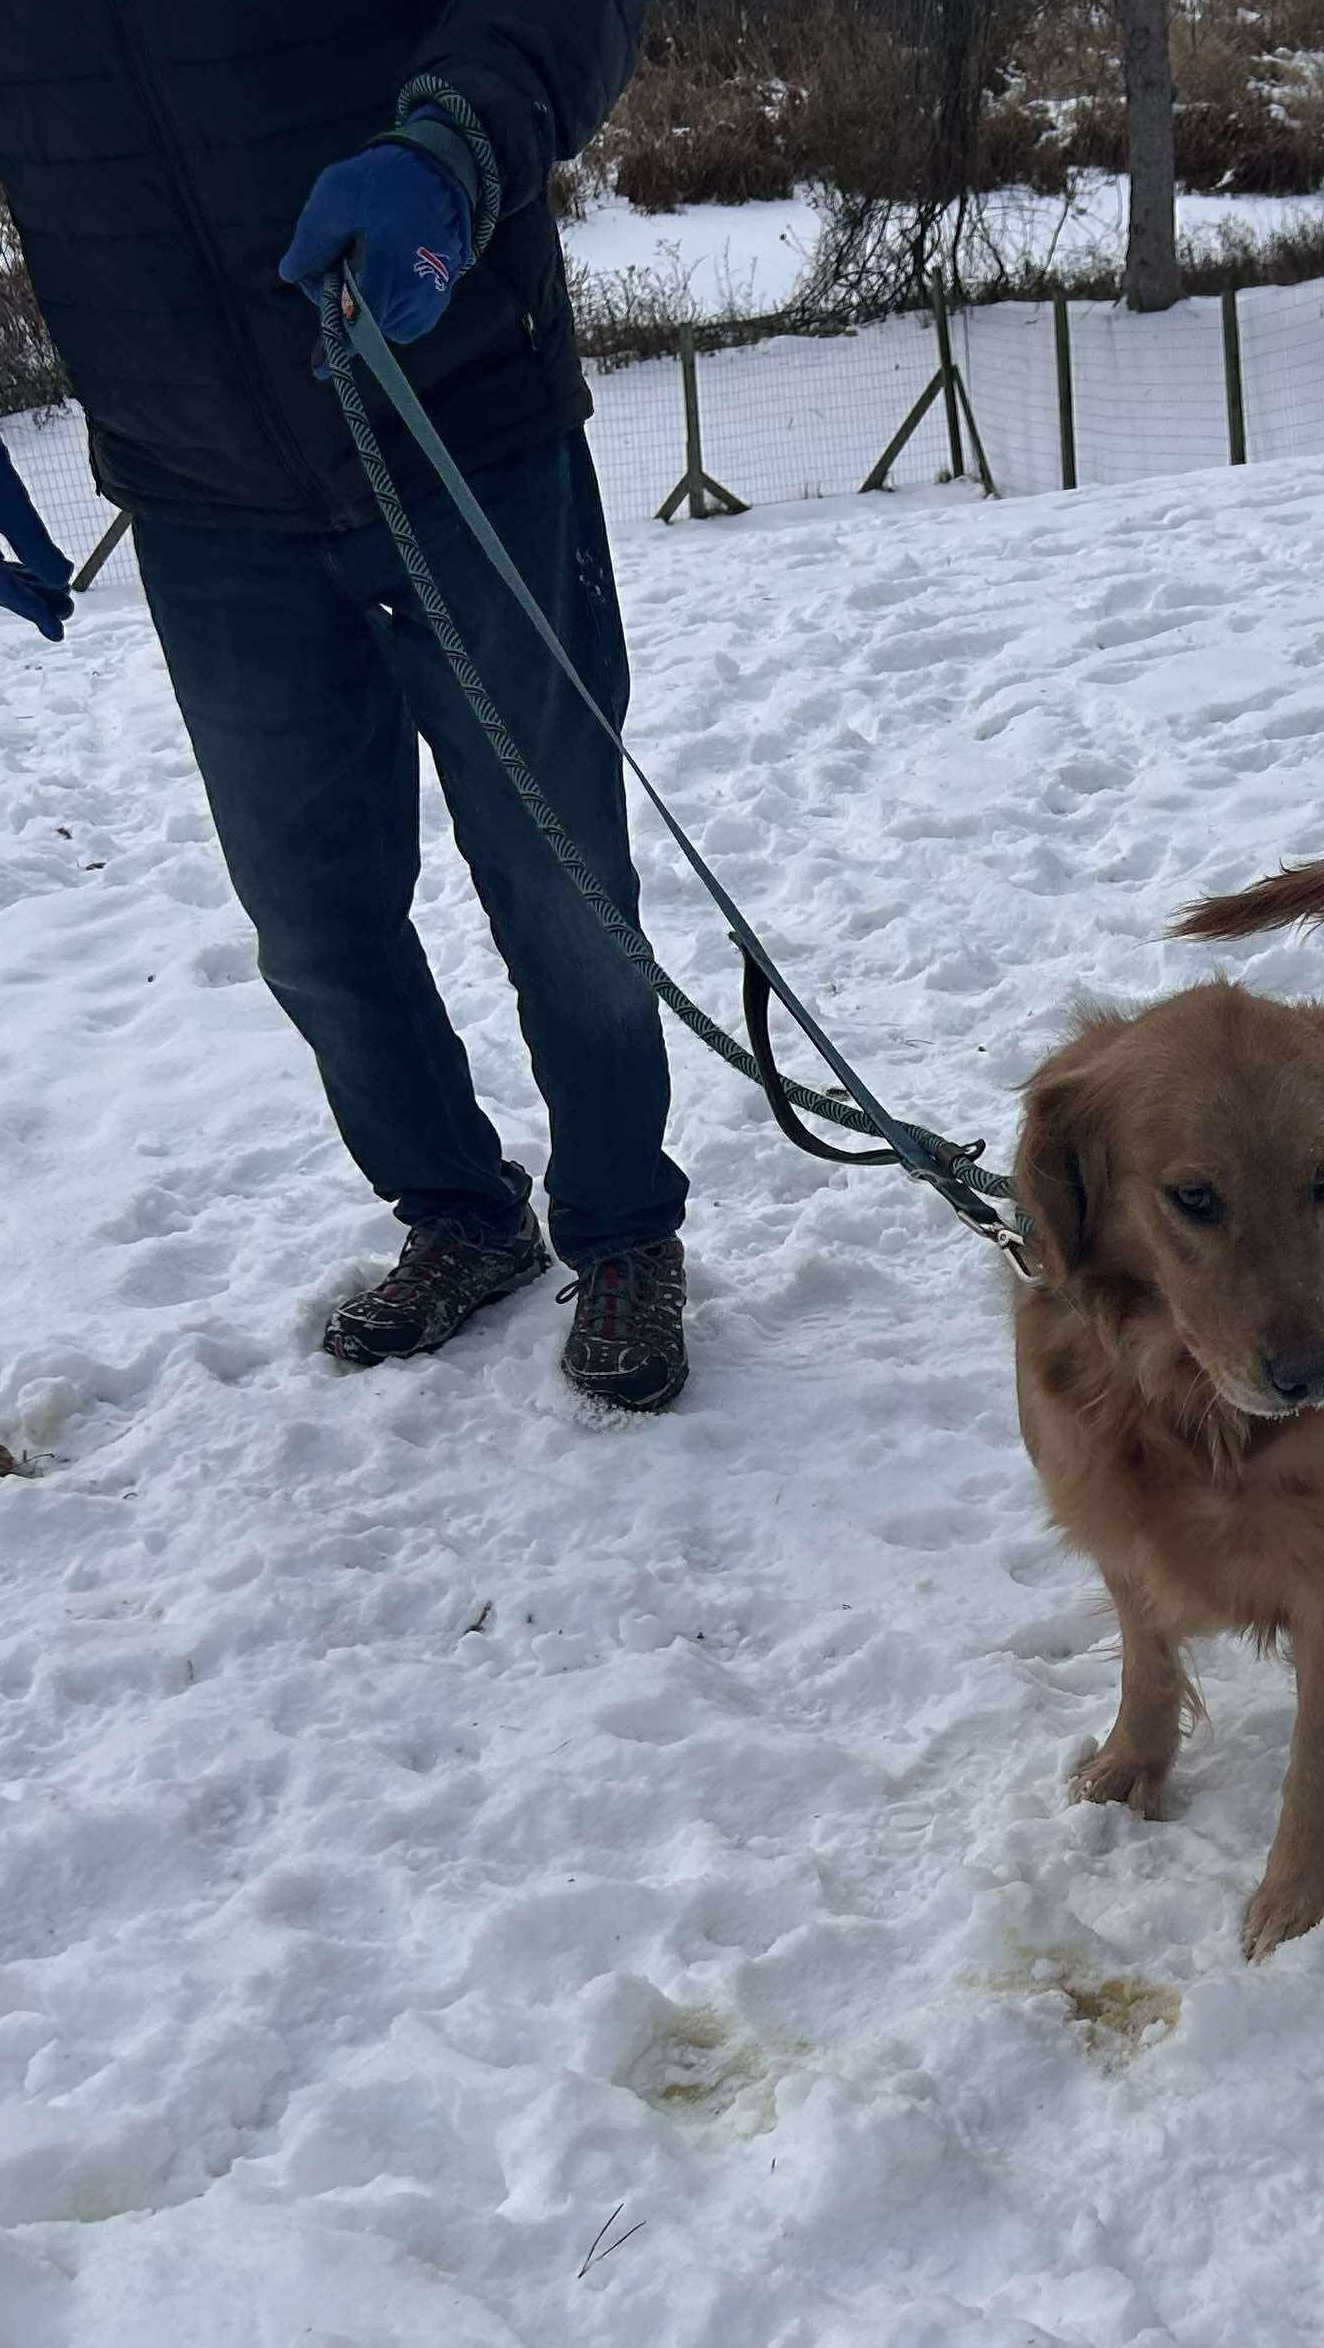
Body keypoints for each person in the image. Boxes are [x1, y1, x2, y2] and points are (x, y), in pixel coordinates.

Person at [0, 5, 692, 1412]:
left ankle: (623, 1226)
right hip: (201, 502)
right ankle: (456, 1210)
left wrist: (452, 146)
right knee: (312, 923)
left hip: (461, 422)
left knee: (562, 888)